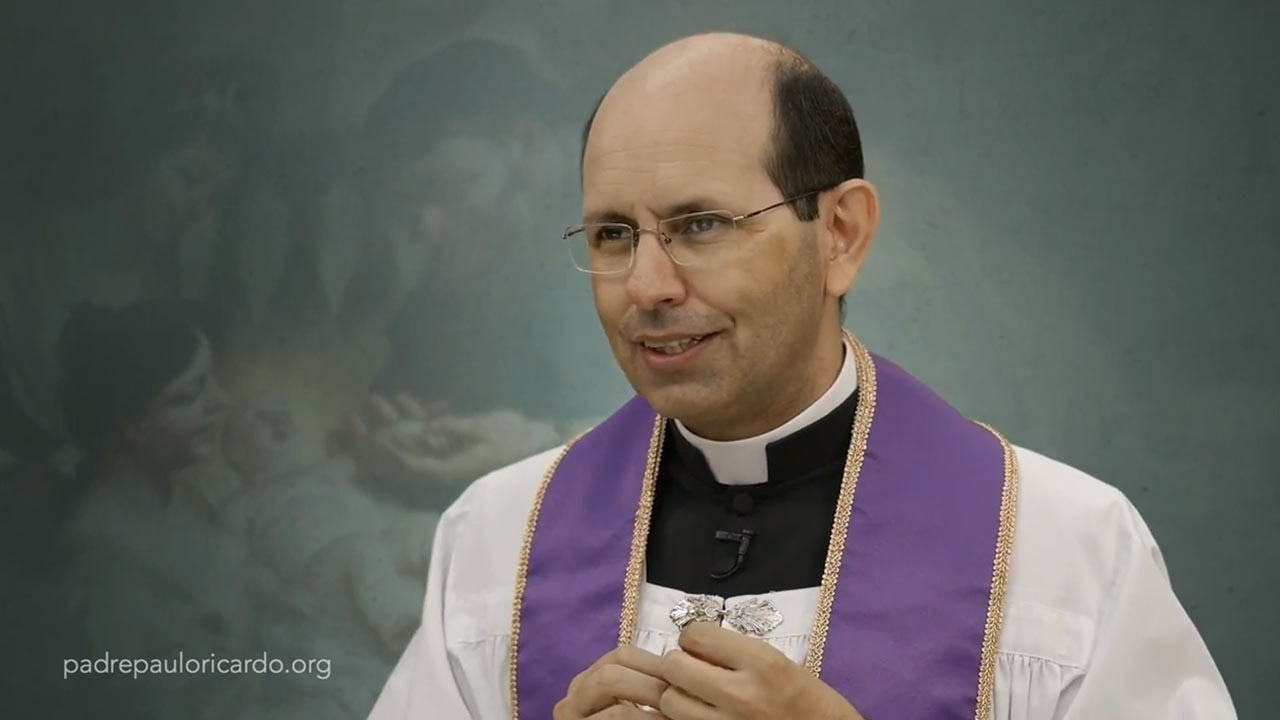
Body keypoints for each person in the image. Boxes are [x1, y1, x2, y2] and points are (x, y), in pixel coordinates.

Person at [369, 33, 1236, 719]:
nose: (647, 288)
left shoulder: (1065, 549)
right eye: (611, 235)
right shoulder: (498, 540)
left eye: (701, 224)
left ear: (842, 234)